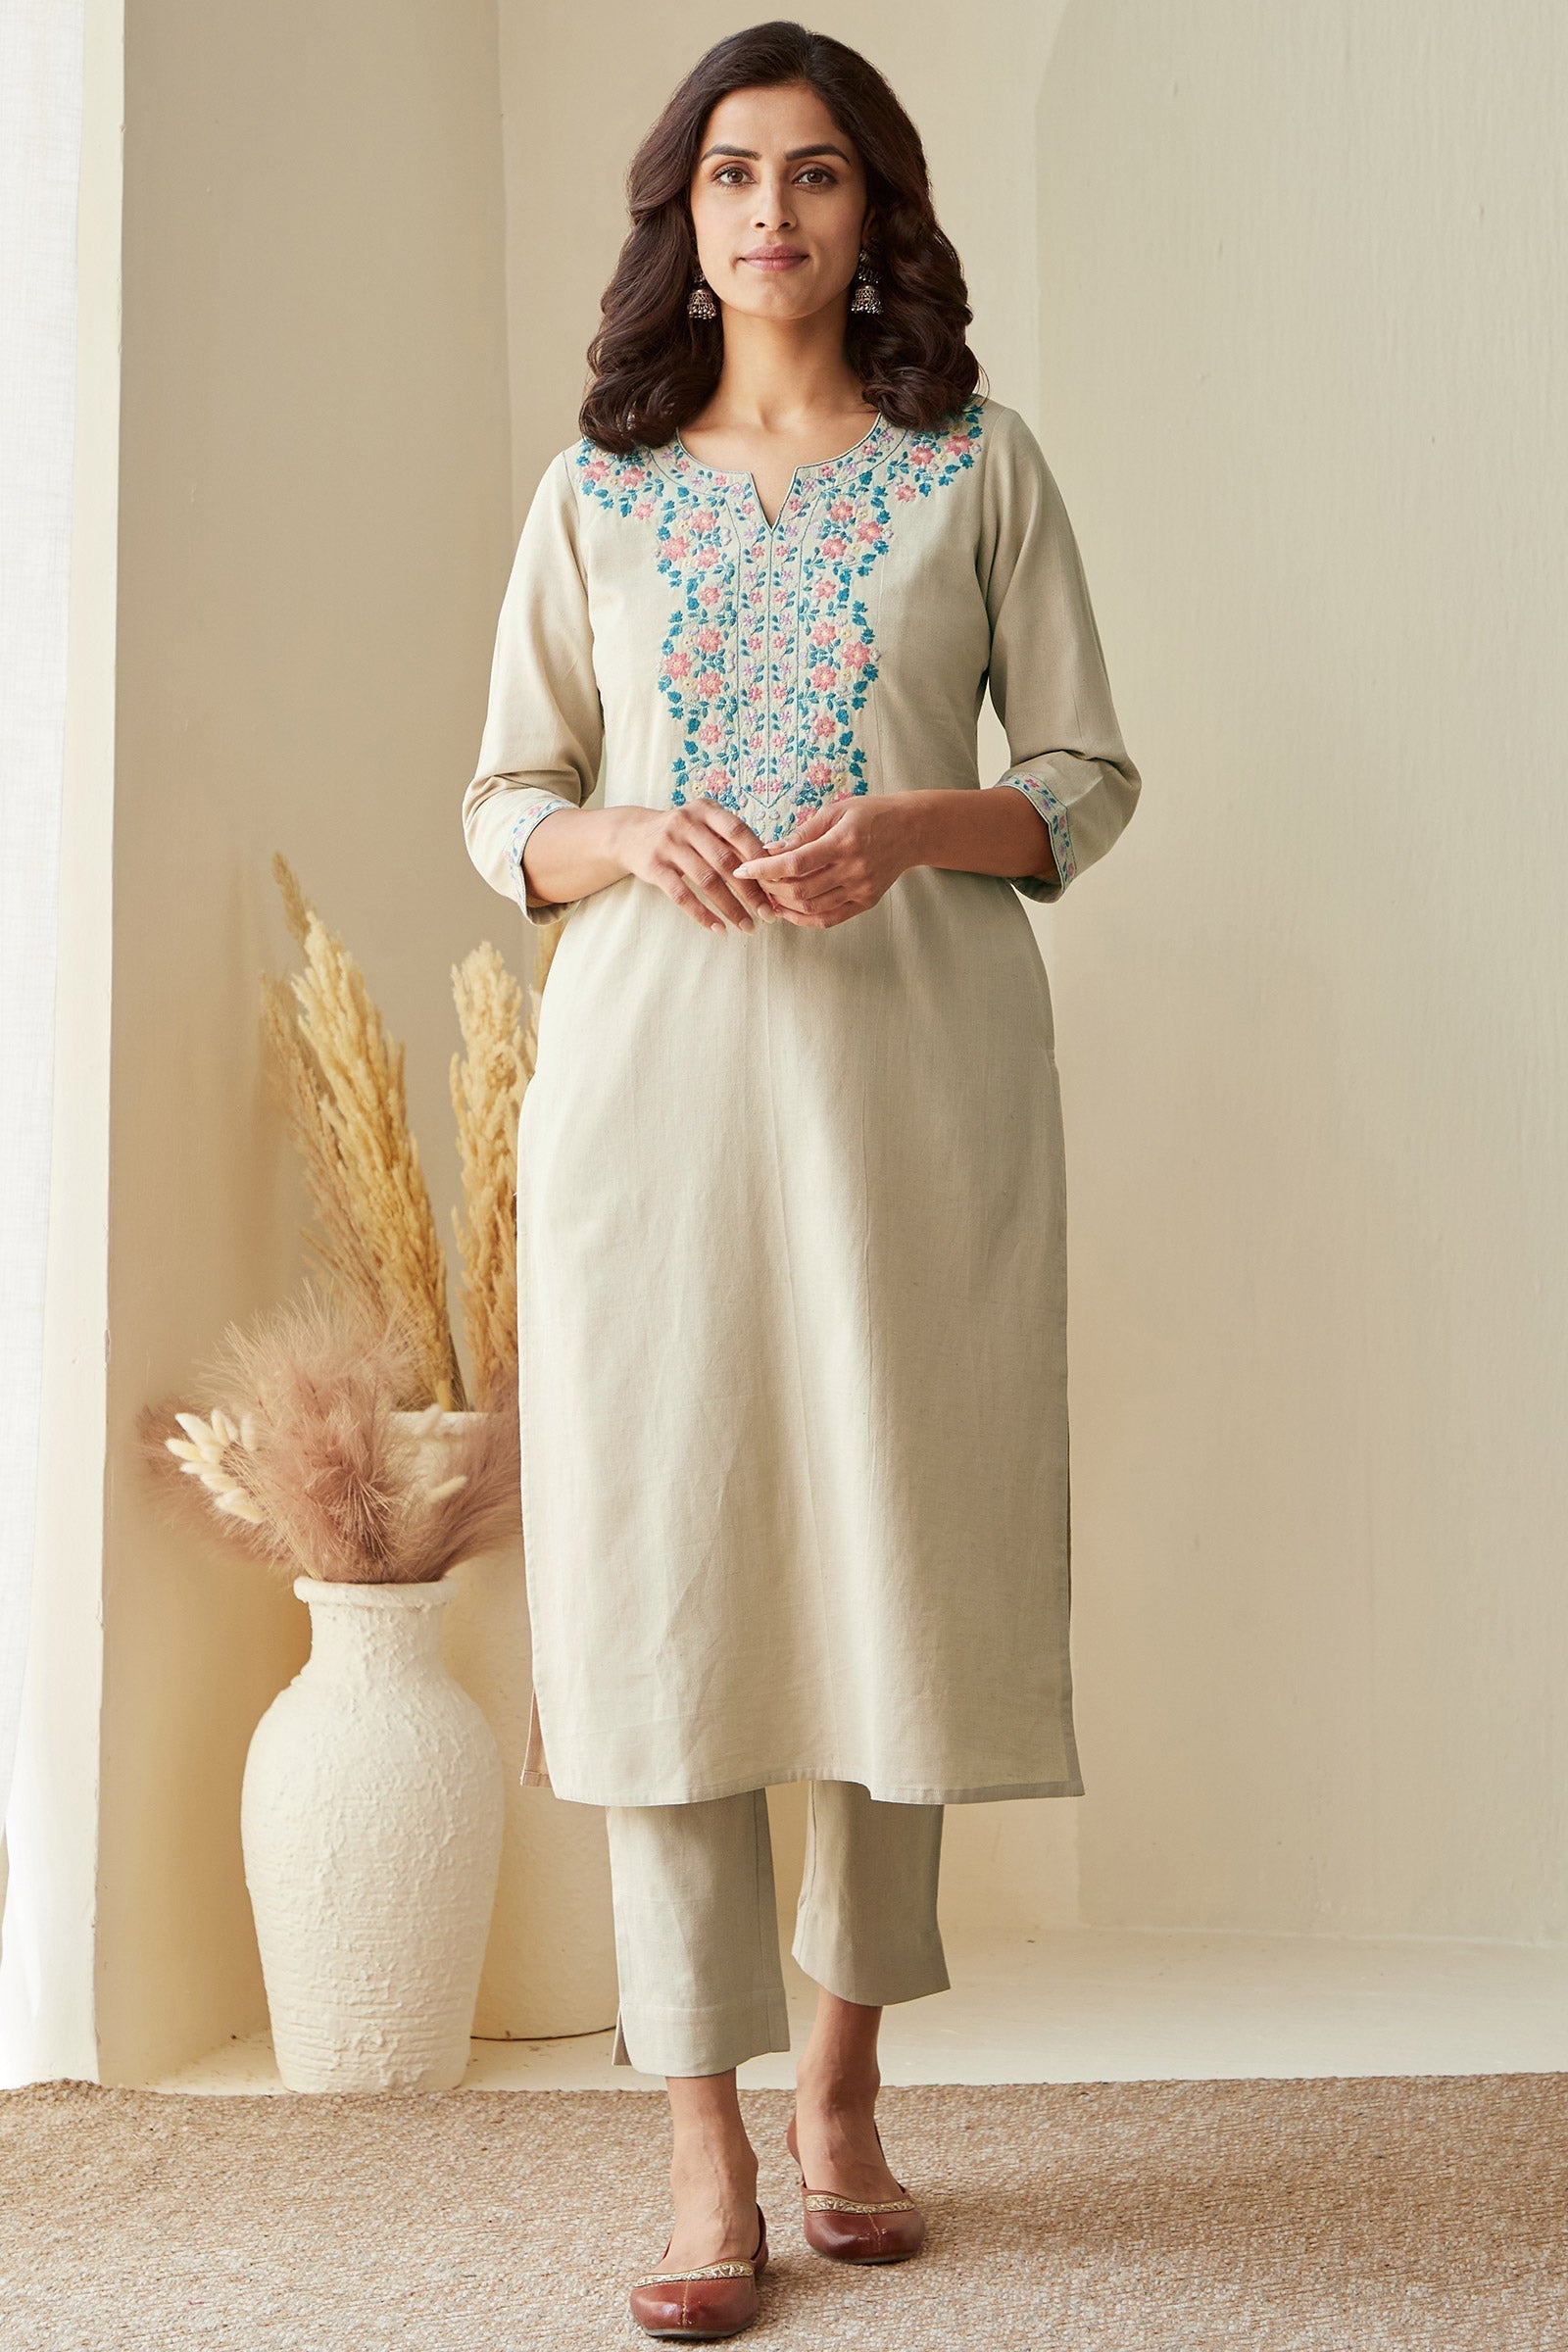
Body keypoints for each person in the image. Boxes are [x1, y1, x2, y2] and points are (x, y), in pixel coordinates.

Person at [461, 19, 1142, 2339]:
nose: (770, 210)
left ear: (873, 214)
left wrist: (913, 824)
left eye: (816, 172)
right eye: (732, 173)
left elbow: (1084, 774)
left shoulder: (976, 468)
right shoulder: (596, 492)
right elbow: (501, 802)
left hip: (912, 1100)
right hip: (648, 1109)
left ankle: (842, 2095)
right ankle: (701, 2143)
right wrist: (624, 835)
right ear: (682, 216)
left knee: (885, 1563)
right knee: (666, 1587)